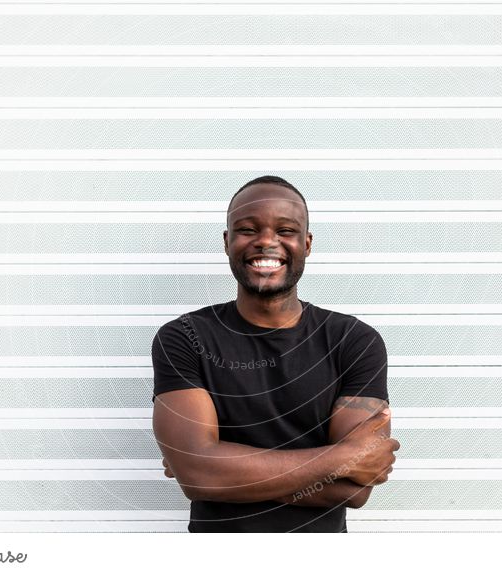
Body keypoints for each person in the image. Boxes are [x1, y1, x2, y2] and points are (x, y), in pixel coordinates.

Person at [151, 175, 399, 532]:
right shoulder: (185, 338)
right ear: (227, 242)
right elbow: (198, 475)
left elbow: (354, 490)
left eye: (285, 230)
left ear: (307, 243)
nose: (267, 241)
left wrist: (221, 471)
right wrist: (340, 458)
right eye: (248, 229)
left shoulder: (354, 341)